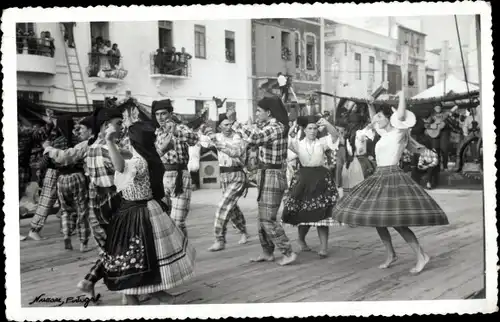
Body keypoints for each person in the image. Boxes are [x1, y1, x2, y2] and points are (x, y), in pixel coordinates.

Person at [333, 88, 449, 274]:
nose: (375, 120)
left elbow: (401, 113)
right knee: (378, 219)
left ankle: (421, 255)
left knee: (398, 222)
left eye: (380, 116)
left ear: (389, 117)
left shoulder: (399, 132)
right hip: (379, 175)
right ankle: (391, 254)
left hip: (393, 176)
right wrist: (371, 103)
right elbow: (374, 117)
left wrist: (402, 93)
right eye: (376, 117)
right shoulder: (383, 132)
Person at [102, 121, 195, 305]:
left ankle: (133, 295)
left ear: (133, 142)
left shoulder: (137, 162)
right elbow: (150, 156)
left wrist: (109, 141)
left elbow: (120, 167)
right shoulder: (150, 157)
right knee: (152, 255)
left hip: (135, 213)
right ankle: (149, 293)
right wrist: (165, 146)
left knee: (135, 257)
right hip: (150, 209)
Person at [229, 96, 297, 266]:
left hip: (273, 174)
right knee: (262, 216)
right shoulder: (269, 126)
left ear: (269, 112)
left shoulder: (276, 127)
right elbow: (253, 138)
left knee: (268, 218)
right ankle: (267, 252)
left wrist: (235, 123)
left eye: (259, 111)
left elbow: (254, 138)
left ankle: (287, 252)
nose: (256, 114)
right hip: (266, 173)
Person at [76, 107, 125, 297]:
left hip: (97, 201)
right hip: (114, 200)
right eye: (118, 123)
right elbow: (121, 168)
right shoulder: (108, 148)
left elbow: (92, 181)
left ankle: (88, 281)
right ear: (106, 126)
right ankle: (127, 293)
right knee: (124, 246)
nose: (122, 127)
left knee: (110, 247)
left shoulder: (91, 148)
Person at [282, 115, 341, 258]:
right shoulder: (298, 144)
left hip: (321, 178)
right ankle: (301, 239)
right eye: (310, 128)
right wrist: (293, 128)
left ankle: (324, 248)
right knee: (304, 213)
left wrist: (326, 123)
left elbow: (334, 135)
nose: (313, 131)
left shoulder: (322, 142)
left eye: (315, 128)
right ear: (304, 129)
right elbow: (287, 141)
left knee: (323, 214)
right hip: (304, 179)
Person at [43, 115, 94, 251]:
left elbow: (47, 162)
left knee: (66, 210)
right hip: (77, 177)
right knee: (82, 210)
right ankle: (83, 242)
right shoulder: (78, 141)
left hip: (62, 179)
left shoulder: (55, 142)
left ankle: (66, 234)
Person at [202, 113, 249, 252]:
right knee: (232, 208)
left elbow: (235, 152)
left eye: (230, 124)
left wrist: (217, 143)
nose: (229, 127)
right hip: (223, 175)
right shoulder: (217, 136)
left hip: (237, 174)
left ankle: (219, 239)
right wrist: (206, 130)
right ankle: (243, 231)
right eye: (225, 125)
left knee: (223, 206)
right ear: (220, 126)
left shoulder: (237, 137)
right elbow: (202, 141)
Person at [152, 99, 199, 237]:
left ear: (171, 114)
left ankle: (184, 252)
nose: (160, 117)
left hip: (180, 176)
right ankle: (176, 252)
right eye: (157, 114)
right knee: (164, 221)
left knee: (178, 221)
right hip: (161, 177)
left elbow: (194, 139)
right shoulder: (156, 133)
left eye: (163, 114)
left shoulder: (181, 128)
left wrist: (176, 132)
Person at [423, 105, 459, 171]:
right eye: (436, 107)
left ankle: (445, 167)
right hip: (434, 134)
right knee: (435, 150)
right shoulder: (431, 116)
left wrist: (449, 119)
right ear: (434, 108)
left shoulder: (445, 114)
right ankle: (437, 167)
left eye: (439, 107)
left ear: (441, 108)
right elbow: (426, 125)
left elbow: (452, 122)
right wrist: (433, 125)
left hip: (444, 133)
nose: (438, 108)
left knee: (444, 149)